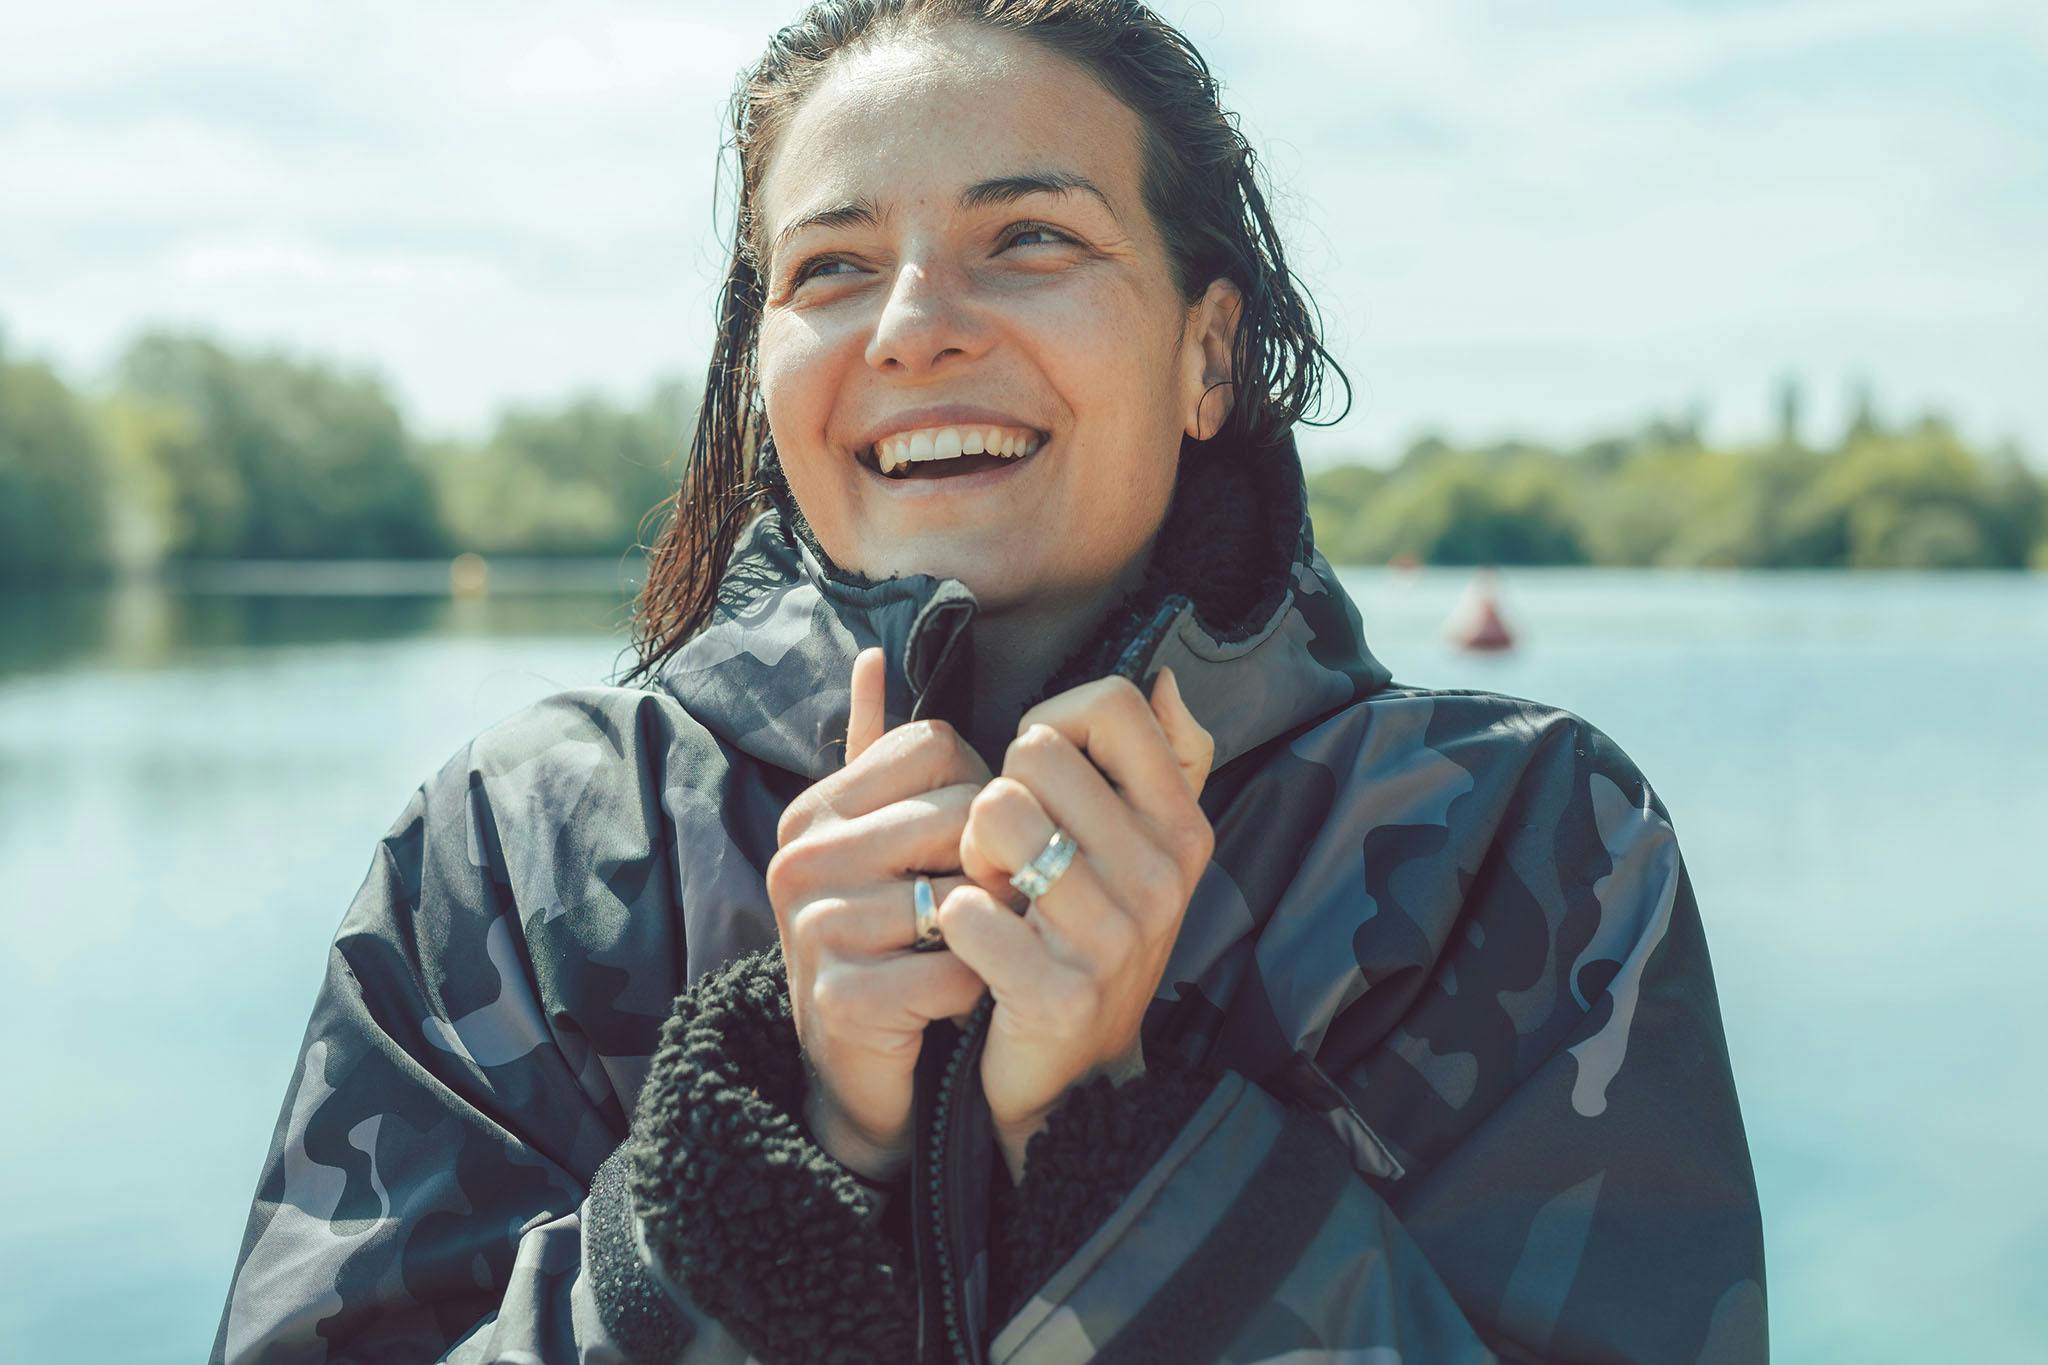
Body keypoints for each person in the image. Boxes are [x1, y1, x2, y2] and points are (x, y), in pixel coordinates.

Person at [211, 2, 1767, 1361]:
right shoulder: (523, 848)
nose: (911, 328)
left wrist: (1109, 1137)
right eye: (829, 266)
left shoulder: (1521, 848)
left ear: (1208, 354)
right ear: (763, 371)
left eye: (1029, 237)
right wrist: (789, 1152)